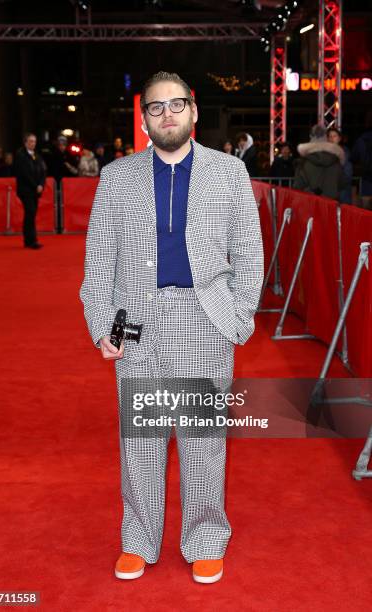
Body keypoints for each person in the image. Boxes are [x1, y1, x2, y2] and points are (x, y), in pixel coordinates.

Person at [80, 71, 264, 584]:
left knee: (203, 441)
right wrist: (101, 325)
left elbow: (250, 254)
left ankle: (206, 537)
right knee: (140, 440)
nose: (167, 115)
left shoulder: (229, 174)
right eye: (156, 108)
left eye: (176, 105)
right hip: (137, 321)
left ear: (194, 111)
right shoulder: (117, 177)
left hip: (205, 321)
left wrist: (237, 315)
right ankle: (138, 539)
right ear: (143, 119)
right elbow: (98, 262)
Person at [293, 124, 346, 200]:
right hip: (331, 204)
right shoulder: (336, 160)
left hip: (310, 203)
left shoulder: (303, 161)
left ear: (311, 136)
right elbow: (342, 183)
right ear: (325, 137)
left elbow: (298, 186)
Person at [14, 132, 46, 249]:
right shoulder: (20, 155)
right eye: (31, 141)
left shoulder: (37, 155)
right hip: (26, 190)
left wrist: (41, 184)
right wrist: (35, 185)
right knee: (30, 212)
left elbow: (43, 171)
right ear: (25, 142)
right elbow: (24, 174)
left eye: (34, 141)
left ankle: (30, 240)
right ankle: (30, 241)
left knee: (31, 214)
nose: (33, 144)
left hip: (36, 190)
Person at [327, 128, 353, 204]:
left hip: (342, 194)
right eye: (330, 136)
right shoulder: (325, 154)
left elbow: (347, 176)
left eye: (334, 136)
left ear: (339, 138)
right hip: (328, 193)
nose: (332, 138)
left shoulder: (345, 154)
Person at [350, 125, 372, 210]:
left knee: (366, 209)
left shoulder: (362, 139)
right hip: (367, 177)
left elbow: (353, 157)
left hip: (367, 178)